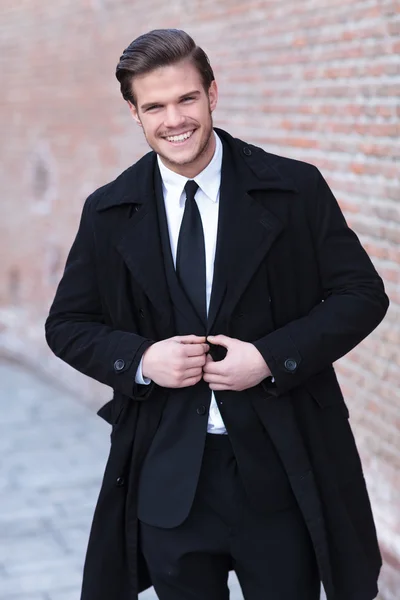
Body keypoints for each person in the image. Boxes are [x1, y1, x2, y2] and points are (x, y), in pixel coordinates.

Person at [45, 28, 389, 600]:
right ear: (134, 112)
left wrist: (271, 358)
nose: (174, 119)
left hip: (279, 465)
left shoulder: (294, 188)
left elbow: (361, 294)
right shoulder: (108, 210)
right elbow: (67, 326)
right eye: (154, 106)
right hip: (168, 475)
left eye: (186, 99)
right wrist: (142, 358)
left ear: (212, 94)